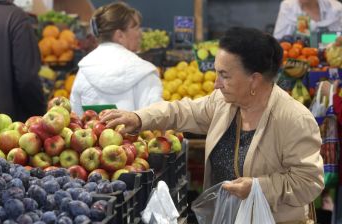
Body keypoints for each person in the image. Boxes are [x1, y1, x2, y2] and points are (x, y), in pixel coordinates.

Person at [101, 27, 324, 223]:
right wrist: (139, 118)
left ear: (254, 79)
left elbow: (309, 181)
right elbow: (182, 111)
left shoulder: (294, 119)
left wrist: (258, 188)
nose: (216, 84)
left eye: (224, 75)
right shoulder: (224, 103)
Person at [69, 2, 162, 116]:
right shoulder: (145, 72)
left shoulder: (83, 71)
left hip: (91, 133)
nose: (140, 33)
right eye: (136, 28)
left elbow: (75, 119)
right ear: (120, 36)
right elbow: (156, 120)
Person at [273, 0, 342, 40]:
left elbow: (338, 39)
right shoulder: (289, 7)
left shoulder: (336, 8)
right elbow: (277, 42)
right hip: (300, 60)